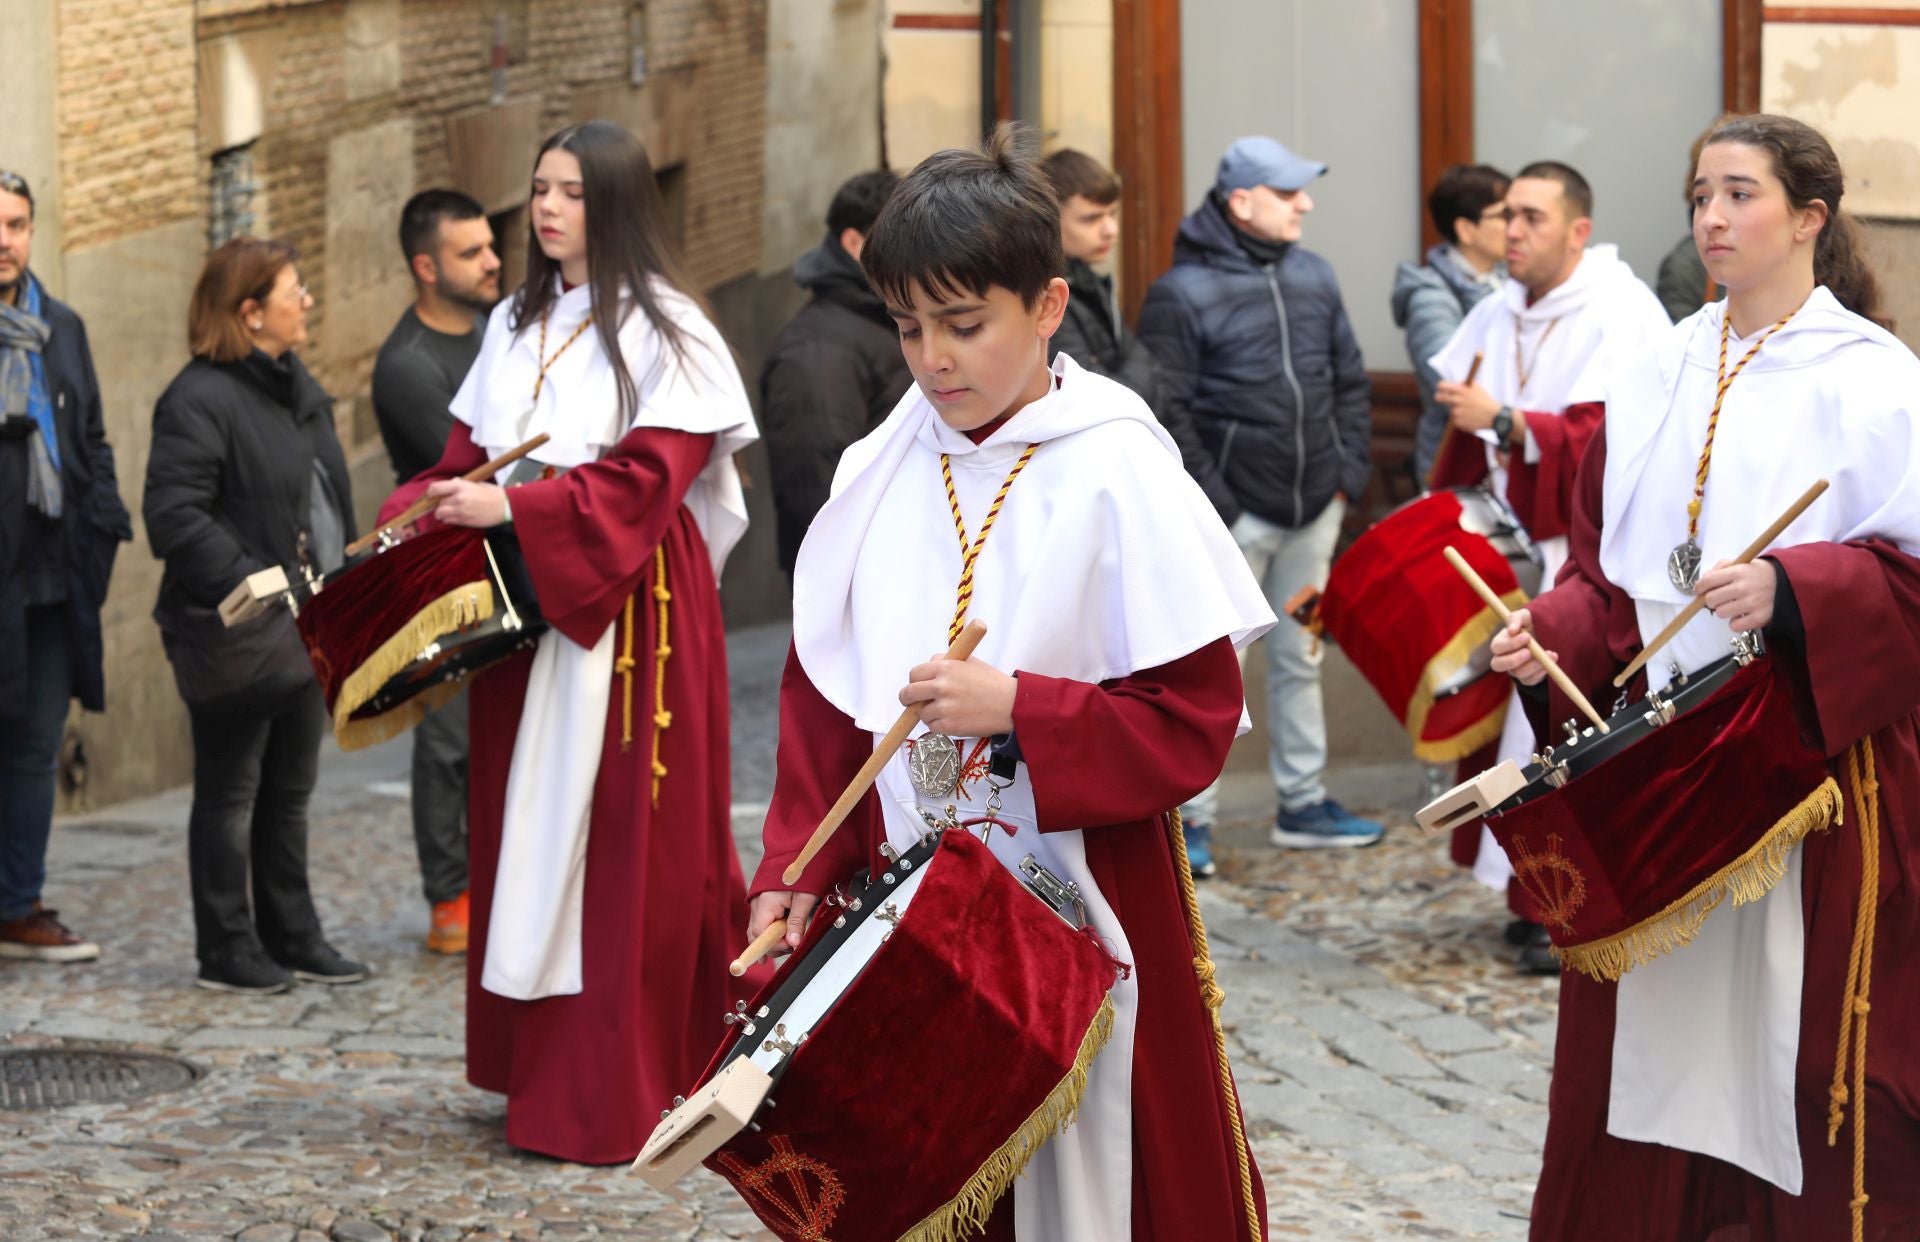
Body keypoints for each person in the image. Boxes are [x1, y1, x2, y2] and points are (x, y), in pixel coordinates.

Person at [746, 126, 1275, 1241]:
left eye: (963, 323)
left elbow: (1192, 717)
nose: (933, 359)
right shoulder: (876, 469)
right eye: (908, 327)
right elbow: (825, 697)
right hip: (911, 895)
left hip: (1086, 891)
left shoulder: (1118, 466)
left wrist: (1025, 709)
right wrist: (796, 863)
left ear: (1046, 306)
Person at [1491, 113, 1920, 1242]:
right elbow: (1608, 580)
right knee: (1642, 1064)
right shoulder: (1654, 370)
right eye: (1699, 196)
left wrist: (1797, 588)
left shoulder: (1877, 381)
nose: (1712, 219)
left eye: (1739, 194)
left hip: (1807, 775)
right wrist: (1549, 633)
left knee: (1804, 1060)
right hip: (1660, 773)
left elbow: (1913, 580)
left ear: (1810, 218)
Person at [375, 120, 761, 1164]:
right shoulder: (514, 319)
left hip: (633, 615)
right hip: (526, 606)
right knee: (527, 829)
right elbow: (467, 454)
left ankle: (624, 1084)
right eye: (540, 187)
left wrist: (514, 508)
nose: (546, 208)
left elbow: (649, 481)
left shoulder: (674, 332)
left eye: (573, 192)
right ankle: (536, 1069)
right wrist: (411, 514)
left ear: (619, 202)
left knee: (623, 847)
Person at [1427, 161, 1669, 971]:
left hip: (1580, 556)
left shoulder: (1622, 310)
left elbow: (1616, 441)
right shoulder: (1498, 307)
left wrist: (1507, 421)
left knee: (1558, 723)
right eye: (1508, 215)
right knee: (1503, 728)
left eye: (1532, 217)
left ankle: (1559, 903)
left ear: (1578, 231)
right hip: (1509, 540)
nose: (1513, 231)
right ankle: (1525, 890)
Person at [1138, 135, 1381, 860]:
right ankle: (1193, 823)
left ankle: (1302, 804)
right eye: (1287, 192)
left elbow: (1349, 380)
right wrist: (1223, 507)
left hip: (1314, 515)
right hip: (1233, 524)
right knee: (1217, 668)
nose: (1305, 204)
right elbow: (1167, 413)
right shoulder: (1180, 292)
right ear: (1242, 203)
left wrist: (1346, 476)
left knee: (1303, 651)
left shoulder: (1315, 275)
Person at [144, 238, 368, 995]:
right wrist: (255, 581)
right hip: (240, 633)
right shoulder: (197, 398)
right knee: (231, 793)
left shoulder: (294, 385)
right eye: (293, 291)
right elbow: (174, 515)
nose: (307, 302)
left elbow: (321, 495)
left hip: (308, 622)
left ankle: (292, 934)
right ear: (250, 312)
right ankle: (226, 947)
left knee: (290, 792)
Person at [0, 169, 130, 963]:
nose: (4, 241)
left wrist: (102, 527)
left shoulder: (62, 327)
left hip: (54, 578)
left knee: (34, 747)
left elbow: (93, 440)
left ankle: (18, 905)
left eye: (16, 225)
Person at [370, 188, 502, 955]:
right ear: (426, 267)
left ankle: (493, 881)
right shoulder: (407, 365)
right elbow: (471, 468)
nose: (492, 262)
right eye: (471, 252)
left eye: (490, 246)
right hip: (441, 570)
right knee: (448, 737)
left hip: (502, 552)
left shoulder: (492, 329)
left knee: (494, 735)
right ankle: (449, 897)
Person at [760, 169, 911, 575]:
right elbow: (815, 498)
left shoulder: (889, 321)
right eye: (903, 239)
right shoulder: (816, 352)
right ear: (854, 243)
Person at [1391, 163, 1509, 484]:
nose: (1515, 227)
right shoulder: (1429, 296)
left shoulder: (1509, 280)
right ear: (1466, 230)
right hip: (1459, 466)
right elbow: (1452, 384)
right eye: (1504, 215)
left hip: (1506, 453)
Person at [1037, 148, 1160, 404]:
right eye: (1091, 219)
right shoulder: (1048, 297)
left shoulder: (1090, 282)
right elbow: (1101, 399)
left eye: (1112, 213)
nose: (1110, 230)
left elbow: (1148, 366)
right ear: (1051, 221)